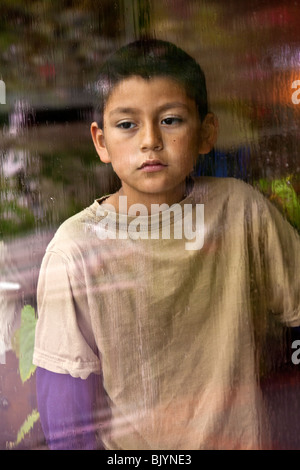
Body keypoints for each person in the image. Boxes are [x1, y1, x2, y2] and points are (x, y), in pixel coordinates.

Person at [33, 38, 300, 450]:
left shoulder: (241, 210)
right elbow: (66, 417)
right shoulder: (75, 249)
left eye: (171, 120)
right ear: (101, 142)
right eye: (127, 125)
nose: (150, 141)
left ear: (207, 132)